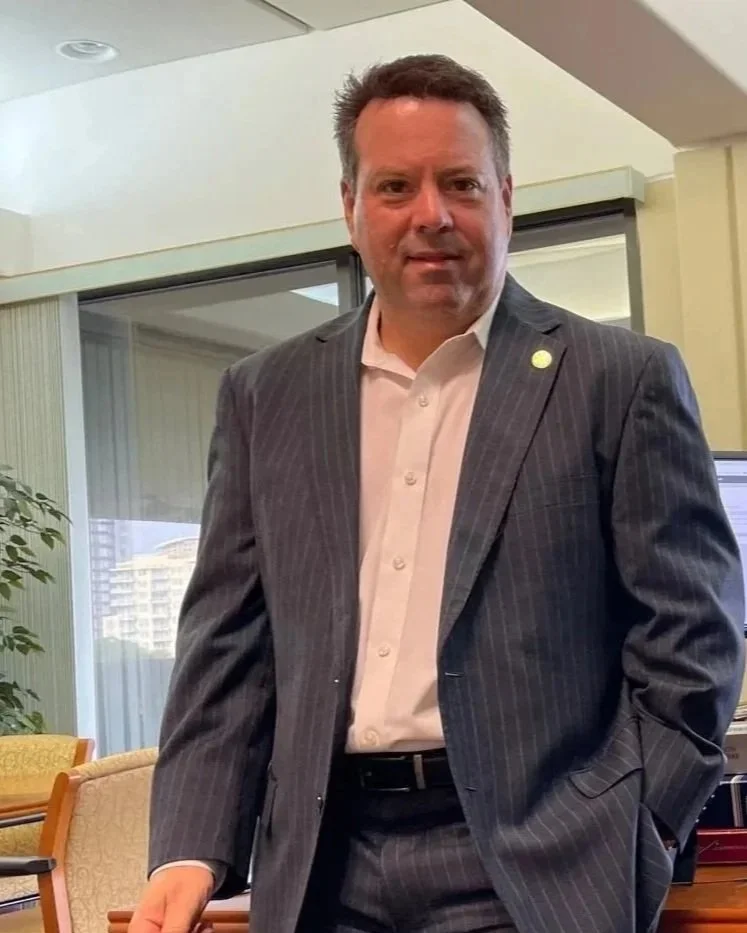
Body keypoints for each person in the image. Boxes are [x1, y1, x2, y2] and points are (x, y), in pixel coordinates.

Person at [130, 54, 745, 933]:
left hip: (533, 859)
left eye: (460, 182)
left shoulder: (617, 378)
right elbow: (226, 644)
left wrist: (635, 820)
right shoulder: (266, 394)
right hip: (320, 860)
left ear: (505, 196)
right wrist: (189, 845)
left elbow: (691, 633)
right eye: (394, 186)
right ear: (349, 206)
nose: (431, 215)